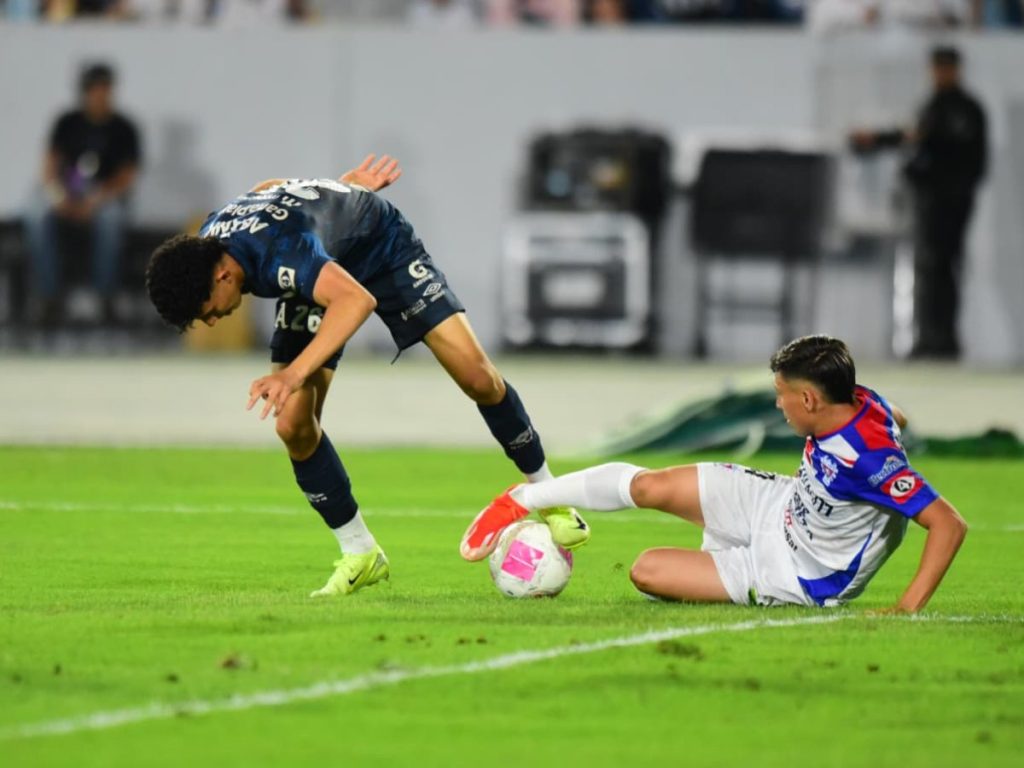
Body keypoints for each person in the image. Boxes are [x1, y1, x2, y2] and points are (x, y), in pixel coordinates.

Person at [144, 156, 590, 597]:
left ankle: (548, 493)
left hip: (382, 248)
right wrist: (335, 197)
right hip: (321, 270)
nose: (214, 322)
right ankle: (361, 553)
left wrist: (294, 373)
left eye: (206, 313)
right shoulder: (211, 242)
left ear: (222, 275)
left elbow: (356, 301)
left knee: (479, 379)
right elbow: (269, 186)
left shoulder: (282, 252)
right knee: (293, 425)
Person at [464, 335, 967, 612]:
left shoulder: (872, 463)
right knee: (650, 486)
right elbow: (893, 418)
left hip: (798, 574)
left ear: (810, 399)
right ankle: (523, 499)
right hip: (781, 505)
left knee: (647, 570)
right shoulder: (864, 401)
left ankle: (729, 563)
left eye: (782, 394)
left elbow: (949, 524)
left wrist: (907, 609)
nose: (777, 403)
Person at [850, 46, 987, 359]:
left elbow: (937, 147)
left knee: (942, 267)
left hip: (949, 201)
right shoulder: (935, 106)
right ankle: (930, 336)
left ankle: (942, 338)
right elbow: (916, 140)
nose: (940, 73)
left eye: (946, 67)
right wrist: (879, 141)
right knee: (929, 267)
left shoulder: (964, 110)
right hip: (930, 200)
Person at [24, 62, 142, 326]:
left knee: (111, 219)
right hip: (66, 193)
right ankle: (48, 297)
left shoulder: (123, 128)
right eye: (94, 89)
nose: (100, 95)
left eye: (105, 89)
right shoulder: (67, 123)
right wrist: (59, 197)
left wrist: (96, 200)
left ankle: (105, 297)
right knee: (37, 213)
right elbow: (49, 166)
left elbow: (127, 176)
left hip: (103, 198)